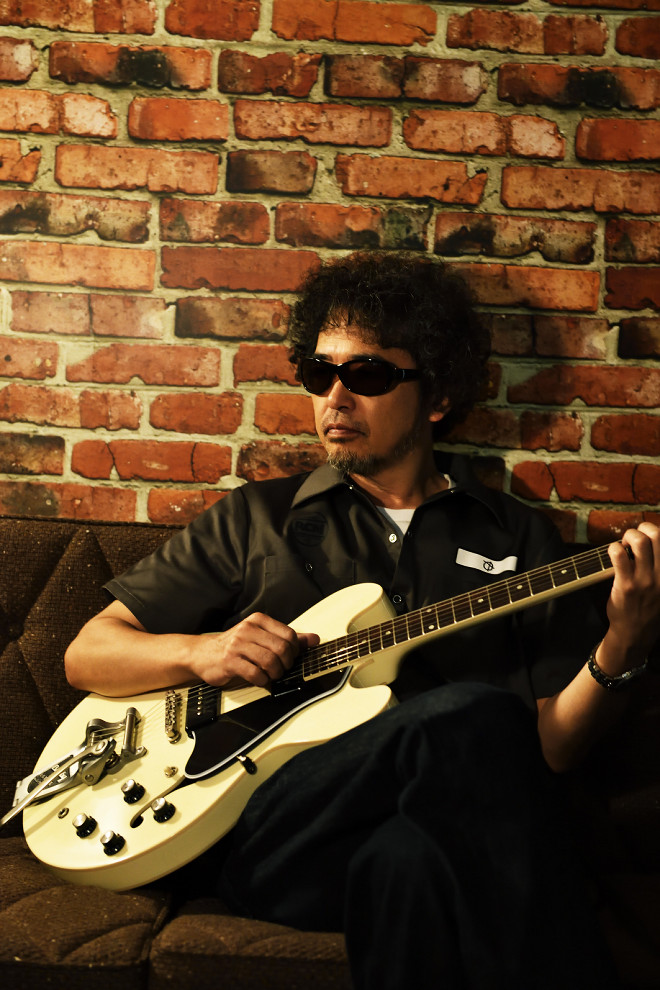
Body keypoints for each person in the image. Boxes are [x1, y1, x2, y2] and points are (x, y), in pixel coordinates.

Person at [65, 252, 660, 990]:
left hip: (425, 836)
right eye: (320, 374)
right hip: (275, 831)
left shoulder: (518, 538)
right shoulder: (258, 518)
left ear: (437, 396)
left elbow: (553, 748)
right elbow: (88, 652)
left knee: (411, 862)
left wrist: (625, 638)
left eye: (368, 376)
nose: (335, 398)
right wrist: (202, 652)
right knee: (474, 713)